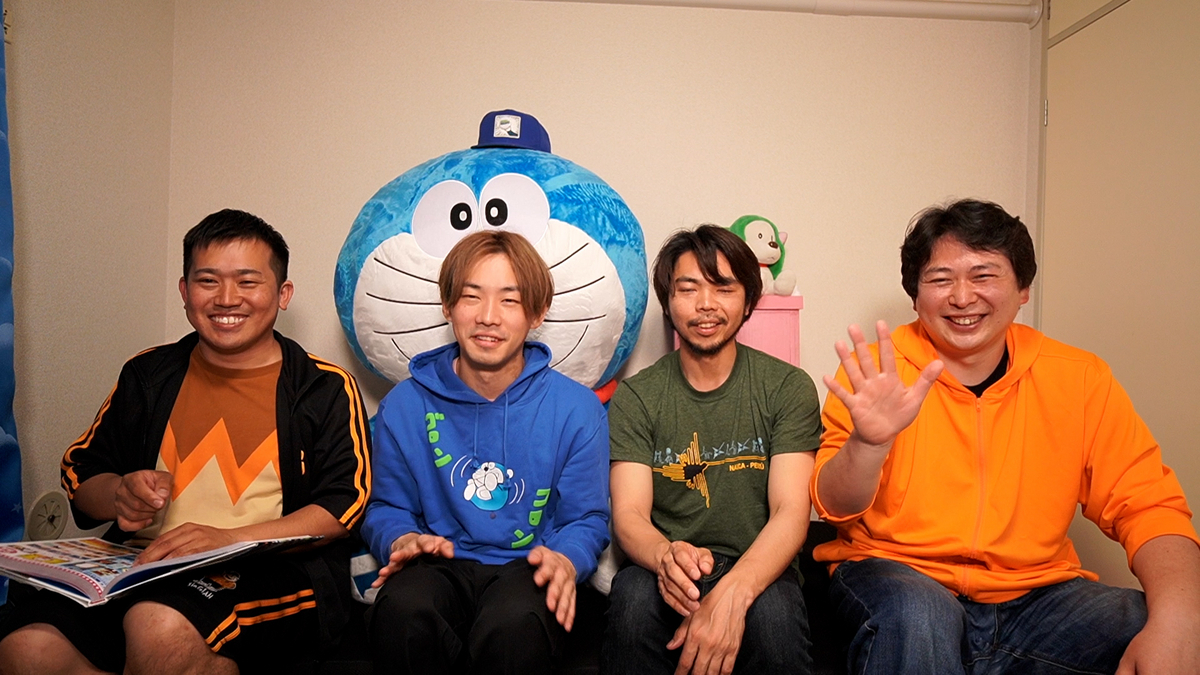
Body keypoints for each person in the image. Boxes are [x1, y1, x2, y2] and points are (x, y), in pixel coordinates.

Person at [812, 198, 1200, 674]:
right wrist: (869, 444)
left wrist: (1181, 618)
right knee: (916, 615)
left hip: (1038, 598)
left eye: (984, 275)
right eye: (940, 279)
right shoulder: (876, 372)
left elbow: (1148, 505)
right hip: (899, 577)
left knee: (1155, 622)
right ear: (915, 295)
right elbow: (833, 506)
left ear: (1023, 289)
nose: (962, 297)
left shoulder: (1079, 377)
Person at [0, 209, 371, 674]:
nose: (226, 298)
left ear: (283, 294)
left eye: (248, 281)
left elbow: (343, 505)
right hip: (140, 561)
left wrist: (226, 539)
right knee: (26, 648)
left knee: (157, 625)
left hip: (270, 568)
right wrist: (119, 494)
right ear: (184, 291)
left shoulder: (324, 386)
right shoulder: (148, 373)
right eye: (208, 281)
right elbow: (83, 472)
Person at [361, 230, 609, 675]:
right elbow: (387, 507)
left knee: (514, 624)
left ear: (537, 313)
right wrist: (401, 539)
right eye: (471, 297)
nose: (488, 317)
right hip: (438, 563)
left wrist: (567, 559)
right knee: (403, 611)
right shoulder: (404, 405)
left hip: (528, 565)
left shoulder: (576, 408)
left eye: (509, 300)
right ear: (447, 306)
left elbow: (586, 518)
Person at [603, 225, 822, 675]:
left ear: (749, 301)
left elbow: (790, 512)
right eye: (688, 289)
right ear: (668, 302)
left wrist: (735, 591)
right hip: (669, 561)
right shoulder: (638, 397)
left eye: (724, 288)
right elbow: (629, 514)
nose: (706, 304)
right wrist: (665, 557)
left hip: (760, 563)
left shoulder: (787, 387)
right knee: (632, 601)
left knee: (775, 619)